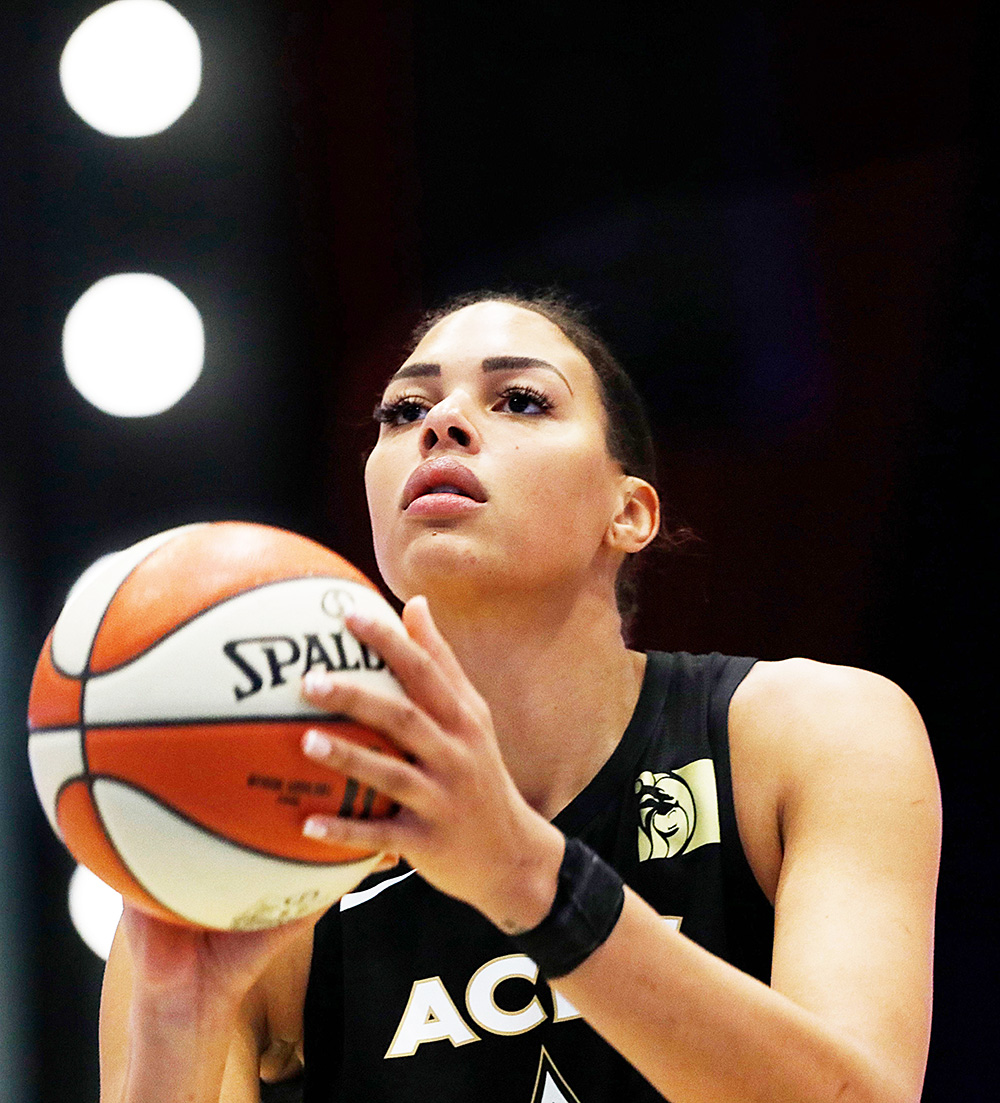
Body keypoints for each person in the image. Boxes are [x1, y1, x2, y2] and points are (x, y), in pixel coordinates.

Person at [98, 292, 941, 1103]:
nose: (440, 424)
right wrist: (175, 1023)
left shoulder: (810, 732)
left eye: (522, 399)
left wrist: (523, 873)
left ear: (630, 511)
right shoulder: (262, 846)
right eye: (401, 411)